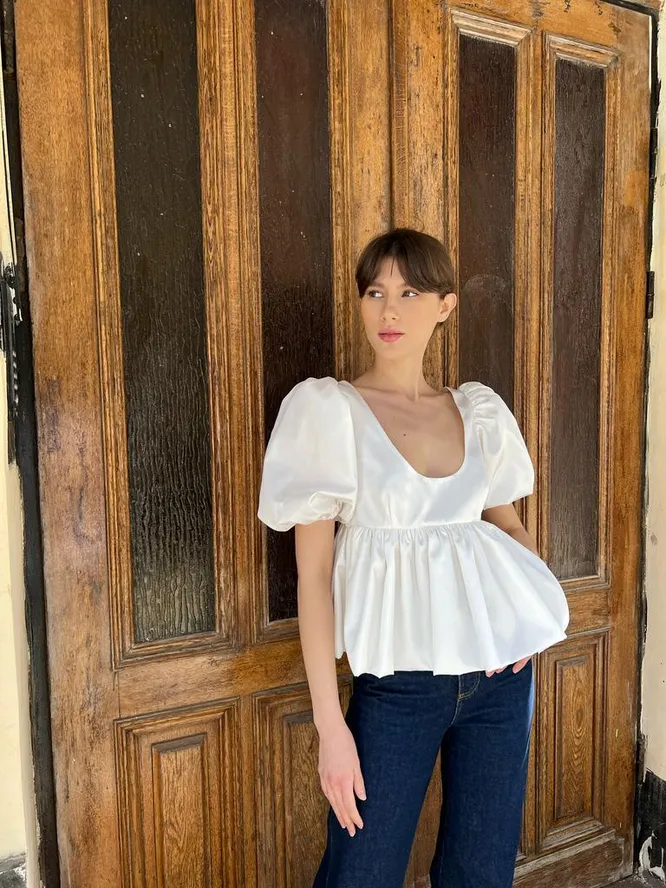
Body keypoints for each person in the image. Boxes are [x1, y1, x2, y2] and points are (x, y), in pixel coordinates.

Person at [258, 228, 569, 888]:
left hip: (498, 683)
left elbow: (510, 528)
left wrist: (530, 626)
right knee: (361, 871)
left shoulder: (476, 411)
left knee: (480, 873)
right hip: (397, 690)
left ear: (445, 305)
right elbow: (314, 577)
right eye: (375, 293)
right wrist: (330, 729)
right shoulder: (330, 413)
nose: (389, 310)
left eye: (409, 293)